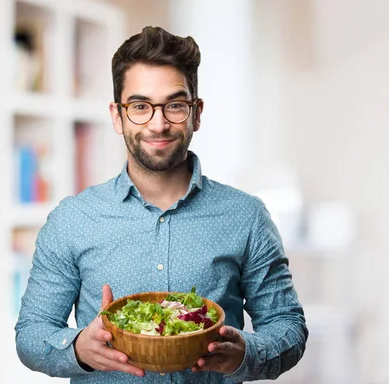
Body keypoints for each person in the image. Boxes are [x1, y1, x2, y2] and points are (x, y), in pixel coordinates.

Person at [15, 26, 308, 383]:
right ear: (117, 115)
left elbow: (288, 327)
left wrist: (245, 353)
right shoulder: (73, 219)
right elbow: (31, 335)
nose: (158, 124)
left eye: (174, 106)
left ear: (196, 113)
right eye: (140, 106)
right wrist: (78, 348)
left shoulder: (246, 216)